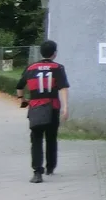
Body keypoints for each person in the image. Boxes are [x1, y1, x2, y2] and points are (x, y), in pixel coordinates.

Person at [17, 40, 70, 183]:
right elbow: (63, 87)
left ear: (41, 52)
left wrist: (22, 99)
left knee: (36, 139)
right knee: (51, 137)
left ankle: (37, 172)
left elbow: (19, 85)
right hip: (52, 107)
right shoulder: (58, 68)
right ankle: (50, 166)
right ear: (54, 54)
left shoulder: (31, 68)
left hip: (35, 108)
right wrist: (65, 107)